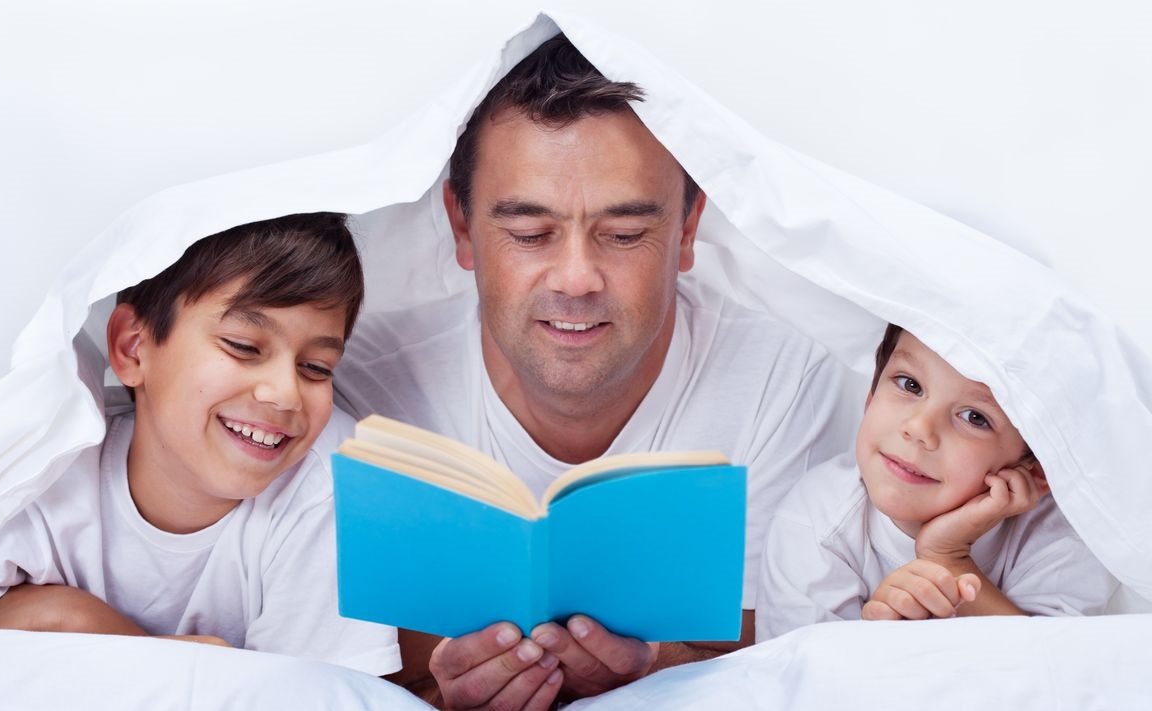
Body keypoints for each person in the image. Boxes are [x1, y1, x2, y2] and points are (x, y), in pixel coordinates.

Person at [335, 34, 860, 708]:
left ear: (687, 230)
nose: (577, 279)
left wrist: (653, 672)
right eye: (529, 234)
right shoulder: (363, 382)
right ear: (462, 229)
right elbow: (342, 661)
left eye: (624, 234)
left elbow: (781, 659)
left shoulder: (781, 381)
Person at [0, 213, 401, 675]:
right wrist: (81, 622)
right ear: (132, 349)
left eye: (317, 368)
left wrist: (58, 623)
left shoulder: (332, 490)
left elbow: (314, 695)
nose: (285, 393)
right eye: (244, 347)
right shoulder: (43, 467)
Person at [755, 324, 1117, 641]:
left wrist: (949, 558)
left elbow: (1053, 680)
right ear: (870, 396)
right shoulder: (816, 520)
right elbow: (797, 684)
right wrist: (882, 646)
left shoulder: (1058, 535)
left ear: (1038, 470)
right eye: (909, 384)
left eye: (975, 417)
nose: (919, 429)